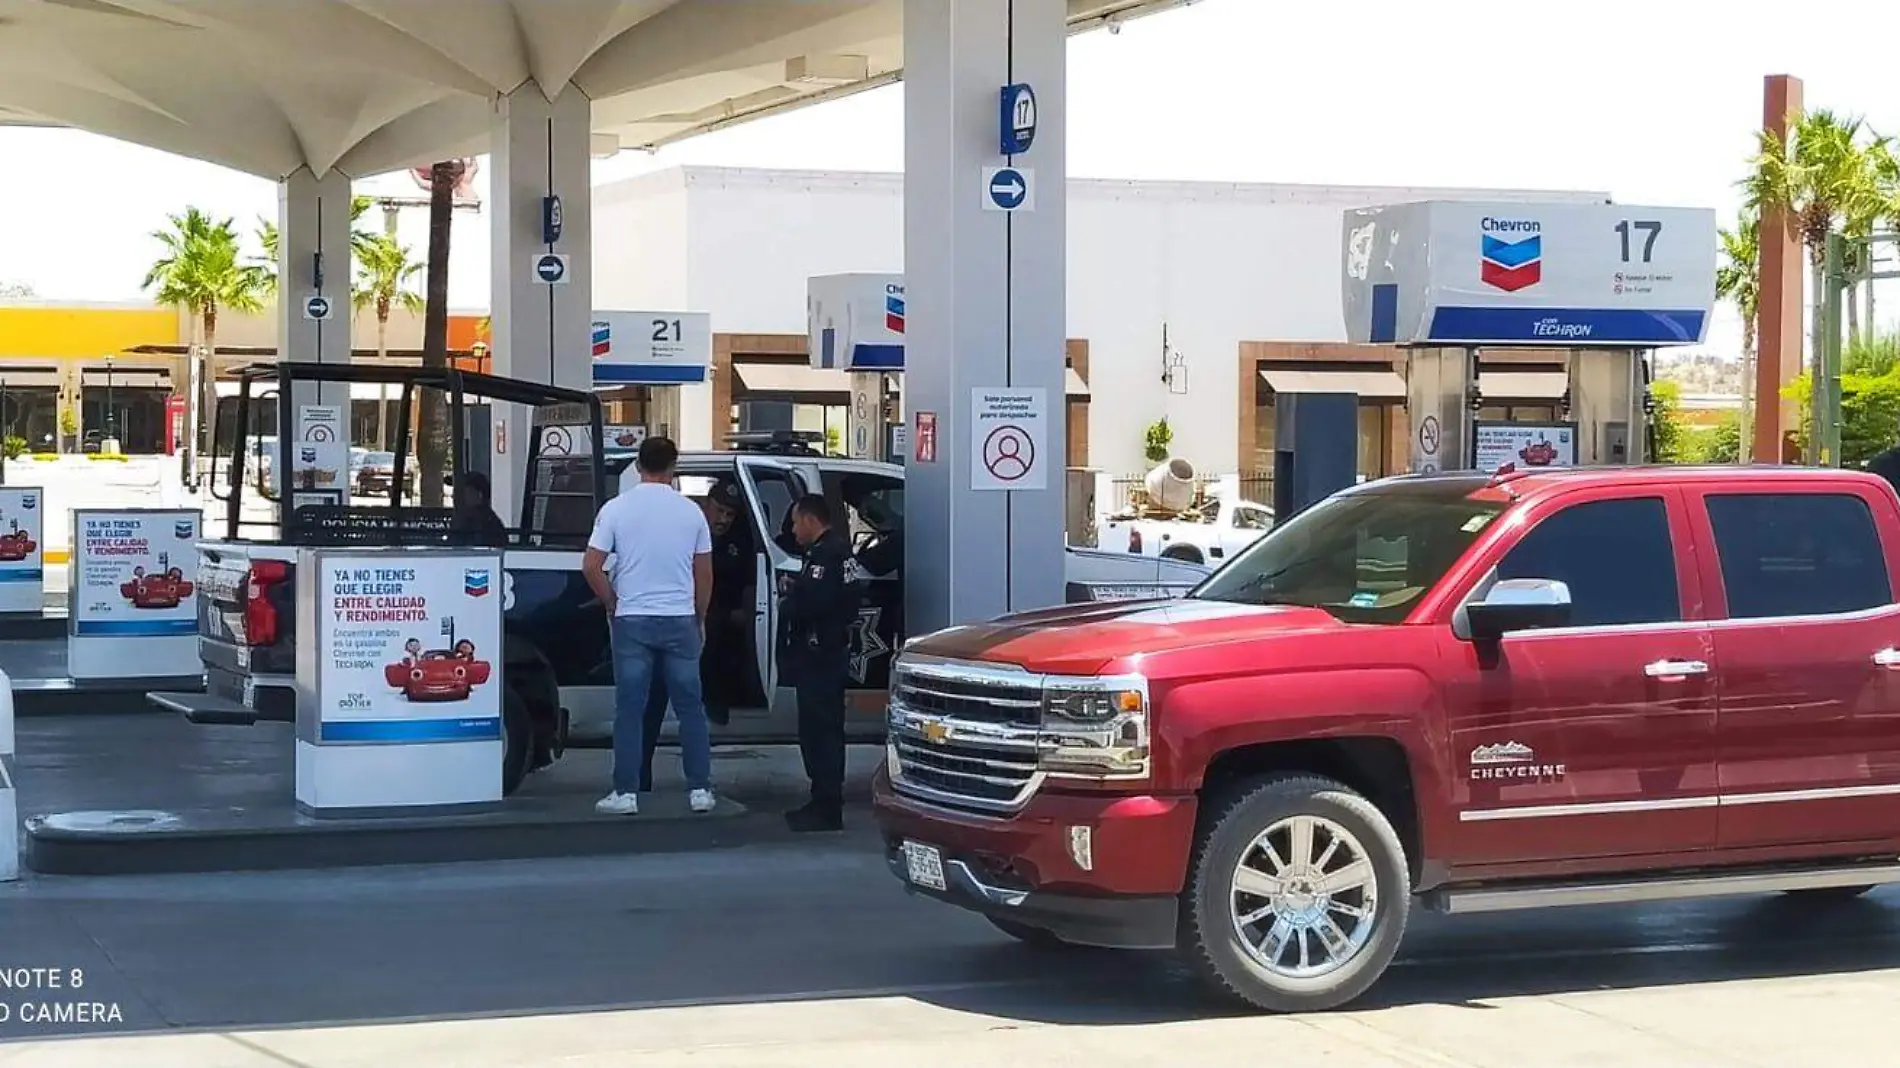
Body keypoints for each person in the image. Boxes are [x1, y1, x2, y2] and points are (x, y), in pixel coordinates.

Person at [581, 436, 717, 816]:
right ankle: (700, 790)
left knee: (630, 708)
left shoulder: (616, 509)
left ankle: (625, 792)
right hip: (679, 620)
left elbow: (591, 565)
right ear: (674, 468)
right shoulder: (692, 513)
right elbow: (704, 574)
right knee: (690, 707)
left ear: (638, 466)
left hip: (633, 620)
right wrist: (699, 617)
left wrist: (611, 601)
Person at [779, 493, 864, 832]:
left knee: (819, 732)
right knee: (824, 729)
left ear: (811, 520)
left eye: (796, 522)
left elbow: (814, 604)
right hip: (829, 653)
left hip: (819, 656)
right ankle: (823, 800)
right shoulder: (837, 552)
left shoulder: (825, 556)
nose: (793, 530)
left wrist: (788, 599)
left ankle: (826, 804)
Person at [449, 471, 509, 547]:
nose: (456, 497)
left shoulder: (488, 523)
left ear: (479, 495)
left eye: (465, 492)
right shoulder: (461, 518)